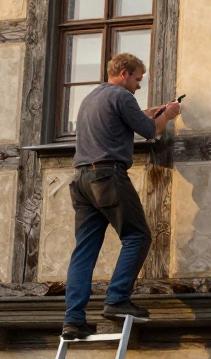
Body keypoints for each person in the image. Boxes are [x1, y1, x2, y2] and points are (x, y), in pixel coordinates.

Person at [62, 53, 180, 339]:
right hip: (108, 176)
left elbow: (135, 117)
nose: (139, 86)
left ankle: (73, 320)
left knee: (84, 251)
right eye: (138, 79)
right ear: (125, 73)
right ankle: (116, 299)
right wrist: (170, 114)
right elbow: (151, 130)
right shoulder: (122, 96)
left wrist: (157, 109)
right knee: (137, 236)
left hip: (81, 180)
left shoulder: (91, 98)